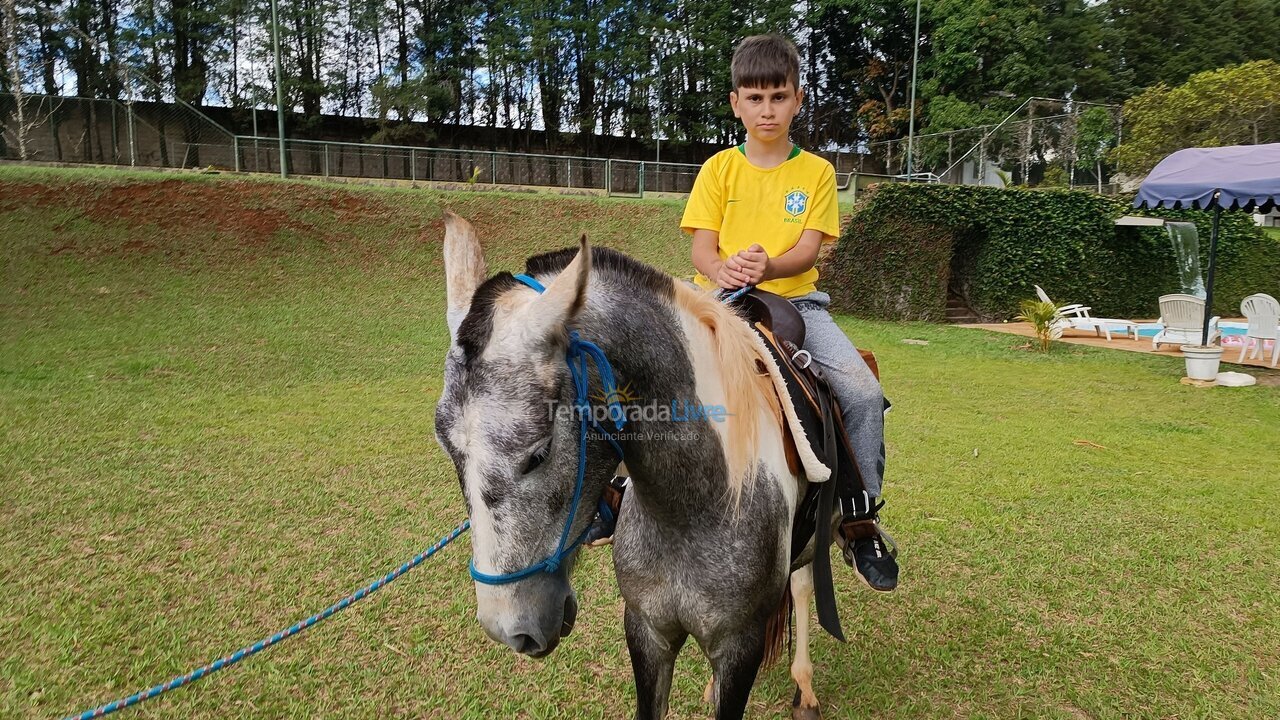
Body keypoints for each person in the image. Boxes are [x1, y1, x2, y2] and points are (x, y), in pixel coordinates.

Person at [589, 33, 898, 593]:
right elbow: (701, 250)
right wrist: (727, 267)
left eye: (778, 97)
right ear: (736, 103)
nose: (767, 109)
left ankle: (858, 519)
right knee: (636, 371)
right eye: (754, 98)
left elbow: (809, 251)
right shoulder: (718, 170)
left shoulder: (818, 174)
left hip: (798, 302)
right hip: (719, 300)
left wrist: (767, 267)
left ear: (798, 100)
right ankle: (611, 495)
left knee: (860, 392)